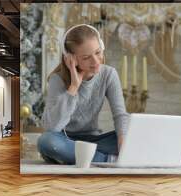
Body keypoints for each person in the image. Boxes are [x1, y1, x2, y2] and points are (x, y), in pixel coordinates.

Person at [37, 24, 129, 165]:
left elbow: (120, 115)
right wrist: (73, 87)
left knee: (135, 135)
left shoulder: (109, 74)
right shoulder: (57, 79)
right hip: (65, 139)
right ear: (70, 59)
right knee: (47, 141)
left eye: (98, 52)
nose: (96, 61)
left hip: (94, 141)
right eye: (86, 57)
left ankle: (78, 157)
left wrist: (124, 144)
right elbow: (53, 127)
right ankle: (106, 160)